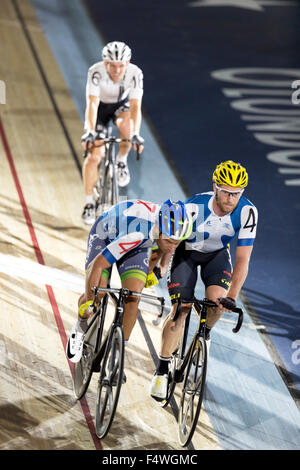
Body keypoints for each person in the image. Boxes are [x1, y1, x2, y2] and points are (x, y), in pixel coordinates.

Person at [150, 160, 258, 401]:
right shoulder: (193, 207)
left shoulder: (248, 212)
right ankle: (162, 369)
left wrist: (231, 296)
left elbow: (243, 259)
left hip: (217, 256)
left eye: (237, 194)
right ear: (215, 188)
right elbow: (169, 241)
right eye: (226, 192)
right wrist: (160, 266)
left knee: (219, 304)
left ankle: (205, 332)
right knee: (181, 310)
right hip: (186, 254)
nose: (231, 199)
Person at [66, 198, 193, 366]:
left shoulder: (169, 232)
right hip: (106, 234)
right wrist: (91, 300)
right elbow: (96, 266)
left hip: (139, 242)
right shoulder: (137, 234)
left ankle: (118, 351)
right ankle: (80, 327)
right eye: (169, 241)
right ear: (158, 229)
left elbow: (165, 248)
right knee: (100, 292)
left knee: (133, 298)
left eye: (177, 242)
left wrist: (160, 267)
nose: (173, 247)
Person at [81, 41, 144, 225]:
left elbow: (135, 107)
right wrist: (89, 131)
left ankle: (121, 161)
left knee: (127, 127)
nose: (117, 70)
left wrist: (135, 134)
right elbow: (91, 104)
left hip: (120, 106)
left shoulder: (135, 73)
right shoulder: (95, 71)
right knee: (94, 157)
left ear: (128, 63)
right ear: (105, 63)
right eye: (112, 66)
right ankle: (89, 203)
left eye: (121, 66)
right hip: (100, 109)